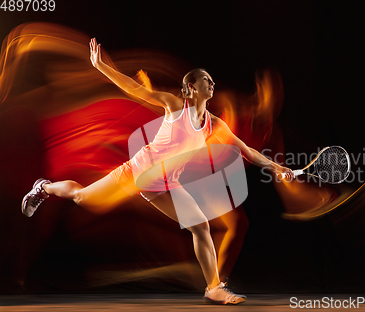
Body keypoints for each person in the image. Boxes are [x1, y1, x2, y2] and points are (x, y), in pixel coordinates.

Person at [21, 38, 294, 304]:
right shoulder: (175, 106)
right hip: (138, 172)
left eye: (212, 80)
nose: (212, 83)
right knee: (82, 197)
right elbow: (135, 90)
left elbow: (246, 150)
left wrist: (276, 166)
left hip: (167, 183)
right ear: (191, 87)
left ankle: (214, 288)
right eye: (206, 80)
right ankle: (44, 187)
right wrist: (103, 67)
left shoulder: (215, 124)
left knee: (201, 227)